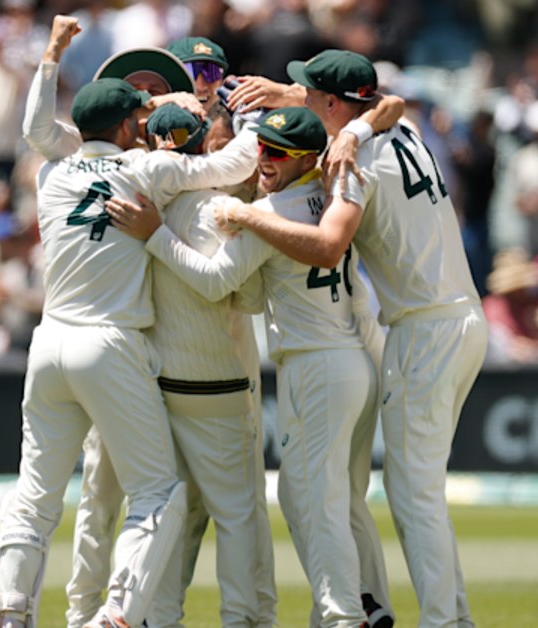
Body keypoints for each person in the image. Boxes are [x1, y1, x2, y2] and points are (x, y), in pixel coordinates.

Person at [0, 29, 261, 623]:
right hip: (110, 345)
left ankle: (11, 611)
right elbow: (234, 162)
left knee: (35, 495)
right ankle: (118, 614)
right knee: (160, 492)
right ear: (123, 128)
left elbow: (38, 131)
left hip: (49, 343)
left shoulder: (50, 176)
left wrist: (49, 58)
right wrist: (241, 115)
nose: (145, 122)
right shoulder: (146, 172)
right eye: (137, 115)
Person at [222, 49, 487, 627]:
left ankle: (446, 622)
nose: (305, 102)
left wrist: (245, 215)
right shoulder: (399, 127)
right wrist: (297, 101)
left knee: (413, 493)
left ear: (334, 105)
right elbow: (385, 104)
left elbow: (326, 245)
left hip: (424, 328)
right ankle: (421, 613)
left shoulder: (353, 161)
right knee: (408, 488)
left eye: (311, 95)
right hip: (461, 315)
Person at [106, 106, 385, 628]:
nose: (265, 160)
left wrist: (158, 234)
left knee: (316, 503)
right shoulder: (338, 192)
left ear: (307, 157)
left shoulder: (265, 211)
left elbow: (217, 284)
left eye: (278, 153)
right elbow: (254, 295)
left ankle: (345, 616)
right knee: (323, 499)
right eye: (262, 149)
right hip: (347, 358)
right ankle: (365, 606)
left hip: (317, 364)